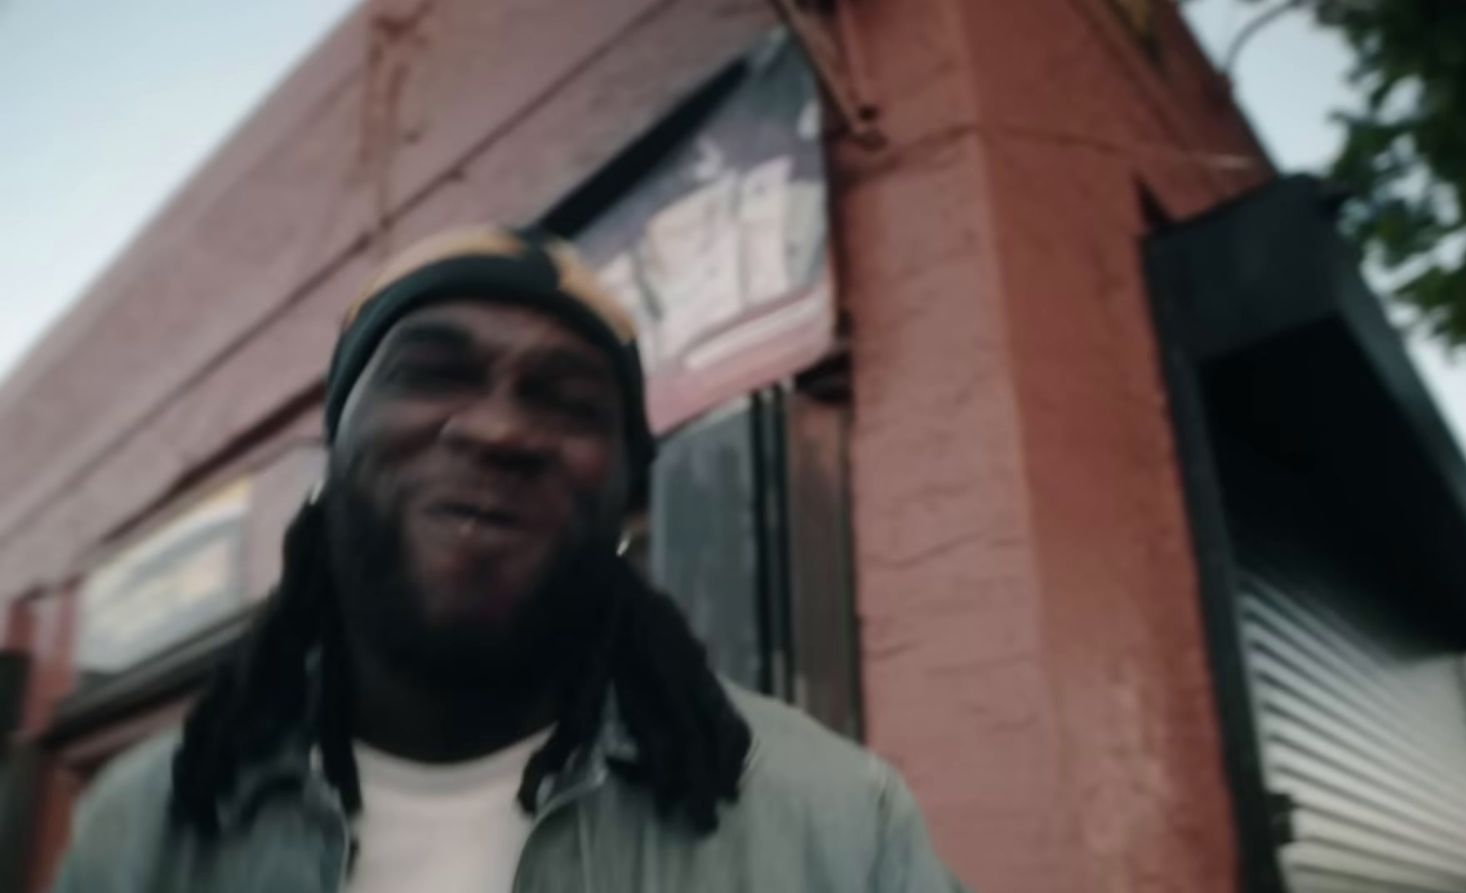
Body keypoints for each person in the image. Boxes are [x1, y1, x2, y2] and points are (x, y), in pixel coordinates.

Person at [50, 226, 964, 893]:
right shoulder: (147, 823)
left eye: (567, 400)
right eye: (432, 373)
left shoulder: (839, 821)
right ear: (337, 453)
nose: (498, 427)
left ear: (619, 491)